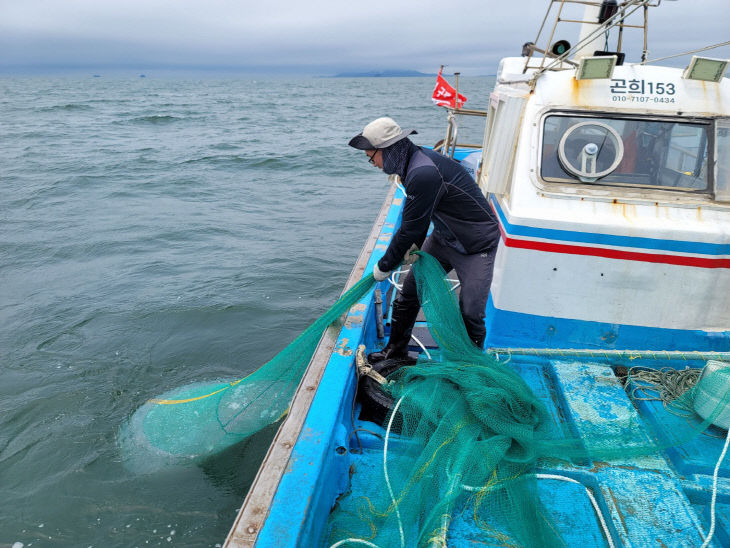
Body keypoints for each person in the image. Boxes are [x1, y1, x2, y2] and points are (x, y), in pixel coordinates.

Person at [349, 117, 500, 361]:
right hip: (444, 237)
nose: (373, 163)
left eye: (371, 156)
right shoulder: (411, 164)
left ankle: (471, 365)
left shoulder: (423, 172)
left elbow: (410, 228)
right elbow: (417, 222)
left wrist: (384, 266)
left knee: (471, 311)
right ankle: (395, 351)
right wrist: (414, 247)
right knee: (409, 294)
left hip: (476, 244)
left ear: (386, 150)